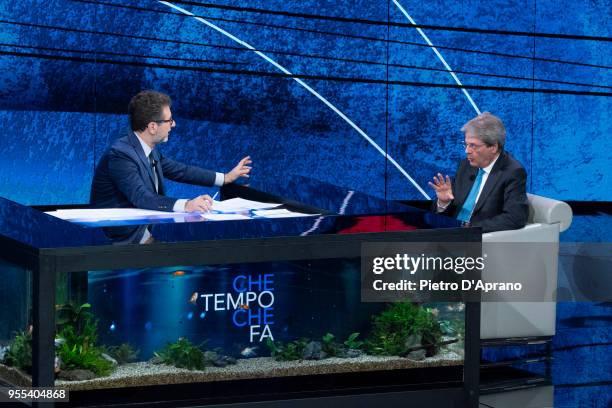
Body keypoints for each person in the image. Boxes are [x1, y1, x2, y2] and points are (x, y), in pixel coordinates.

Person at [90, 90, 252, 212]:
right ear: (152, 127)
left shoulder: (146, 148)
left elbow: (182, 171)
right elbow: (141, 197)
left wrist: (226, 178)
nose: (173, 125)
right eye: (169, 121)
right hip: (118, 240)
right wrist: (187, 205)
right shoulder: (121, 154)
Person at [428, 112, 528, 233]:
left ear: (493, 147)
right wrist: (444, 202)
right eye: (466, 144)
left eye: (473, 145)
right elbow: (448, 212)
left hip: (475, 240)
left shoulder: (512, 172)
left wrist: (471, 228)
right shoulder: (466, 166)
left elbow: (515, 218)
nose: (467, 151)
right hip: (449, 233)